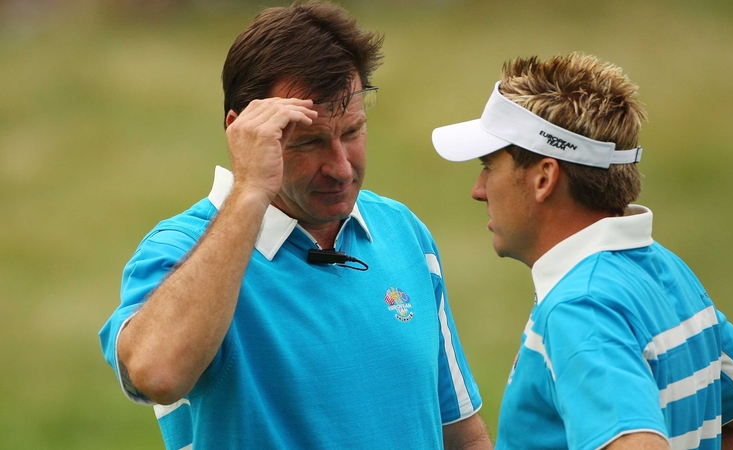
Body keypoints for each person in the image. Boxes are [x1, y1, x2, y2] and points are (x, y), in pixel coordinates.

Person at [98, 2, 491, 449]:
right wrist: (249, 191)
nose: (341, 168)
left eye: (352, 132)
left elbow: (461, 435)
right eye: (309, 141)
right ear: (242, 132)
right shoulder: (180, 248)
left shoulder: (403, 231)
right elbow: (157, 374)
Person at [432, 52, 733, 449]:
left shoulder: (581, 308)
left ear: (544, 178)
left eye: (489, 165)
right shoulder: (667, 271)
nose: (478, 189)